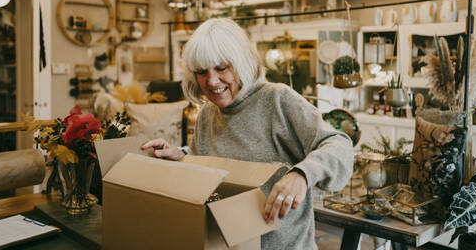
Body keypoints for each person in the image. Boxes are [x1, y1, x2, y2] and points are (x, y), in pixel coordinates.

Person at [142, 18, 353, 250]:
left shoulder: (278, 100)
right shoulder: (206, 116)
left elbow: (339, 144)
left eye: (222, 68)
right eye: (202, 72)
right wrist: (182, 157)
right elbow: (208, 172)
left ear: (241, 63)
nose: (212, 81)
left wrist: (301, 175)